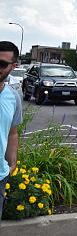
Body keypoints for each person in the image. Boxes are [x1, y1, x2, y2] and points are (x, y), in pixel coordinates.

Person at [0, 41, 23, 220]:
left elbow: (12, 132)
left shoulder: (13, 97)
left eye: (2, 64)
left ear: (13, 66)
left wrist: (11, 162)